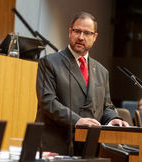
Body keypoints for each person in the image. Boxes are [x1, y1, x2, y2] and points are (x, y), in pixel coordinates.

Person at [35, 12, 129, 156]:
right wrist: (77, 121)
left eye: (87, 33)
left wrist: (113, 118)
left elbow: (107, 105)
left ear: (94, 37)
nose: (81, 37)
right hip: (56, 145)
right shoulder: (49, 63)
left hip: (89, 147)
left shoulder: (102, 72)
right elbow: (47, 101)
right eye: (77, 31)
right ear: (70, 32)